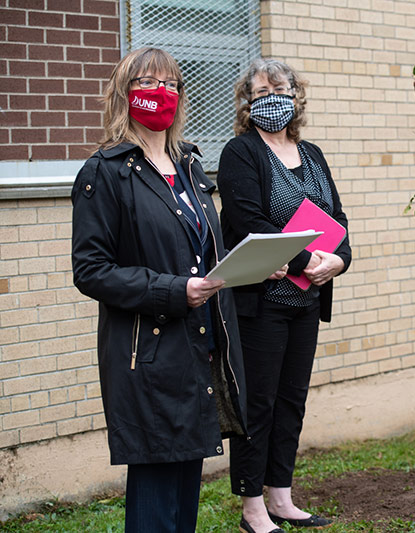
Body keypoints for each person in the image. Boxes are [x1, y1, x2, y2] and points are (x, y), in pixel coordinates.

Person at [71, 47, 247, 532]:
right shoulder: (104, 173)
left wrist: (251, 265)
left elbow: (202, 248)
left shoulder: (189, 167)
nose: (161, 92)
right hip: (148, 356)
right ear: (125, 94)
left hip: (199, 347)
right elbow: (91, 270)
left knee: (185, 495)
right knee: (155, 502)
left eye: (171, 84)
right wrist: (174, 291)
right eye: (148, 82)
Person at [217, 58, 351, 533]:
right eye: (261, 90)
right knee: (260, 403)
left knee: (291, 400)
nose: (272, 96)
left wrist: (339, 260)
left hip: (307, 302)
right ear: (247, 102)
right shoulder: (240, 153)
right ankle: (252, 508)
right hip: (262, 303)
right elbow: (250, 221)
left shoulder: (312, 153)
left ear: (296, 96)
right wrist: (306, 262)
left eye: (280, 88)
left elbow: (338, 221)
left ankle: (281, 497)